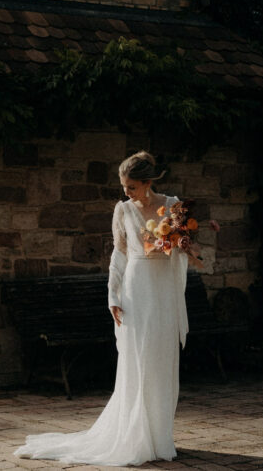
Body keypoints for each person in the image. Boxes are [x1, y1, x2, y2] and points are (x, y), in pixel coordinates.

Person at [15, 151, 189, 466]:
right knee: (137, 360)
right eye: (124, 187)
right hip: (136, 289)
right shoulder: (123, 210)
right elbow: (119, 253)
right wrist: (112, 295)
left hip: (163, 290)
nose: (127, 192)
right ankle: (135, 437)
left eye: (132, 186)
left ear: (147, 182)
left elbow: (184, 247)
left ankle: (160, 438)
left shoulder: (174, 205)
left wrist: (176, 243)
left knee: (162, 360)